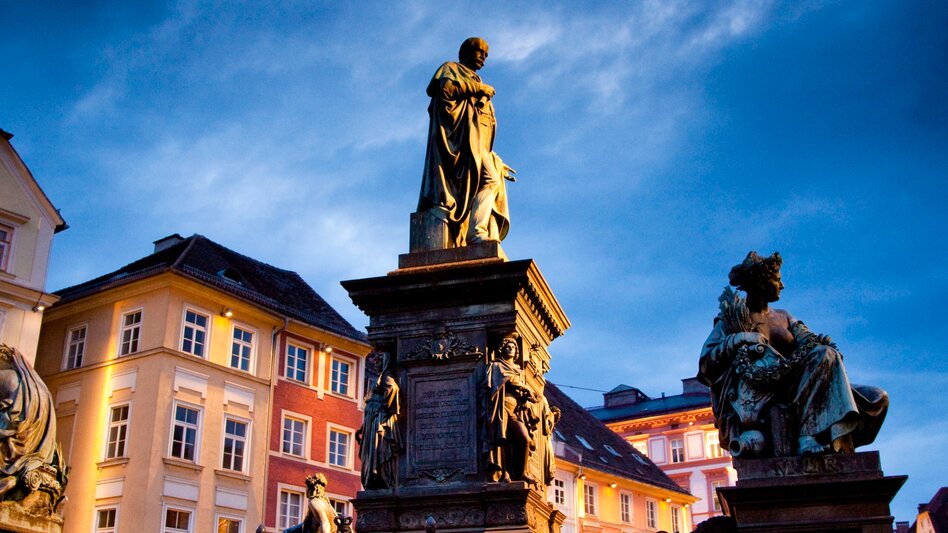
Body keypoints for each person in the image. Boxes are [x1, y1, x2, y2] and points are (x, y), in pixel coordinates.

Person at [697, 252, 888, 456]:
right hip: (764, 393)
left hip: (802, 382)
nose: (782, 285)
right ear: (761, 282)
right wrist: (740, 338)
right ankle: (807, 436)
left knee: (876, 397)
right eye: (777, 280)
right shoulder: (733, 318)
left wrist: (821, 347)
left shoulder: (784, 316)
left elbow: (809, 341)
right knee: (826, 355)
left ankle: (824, 436)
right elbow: (706, 364)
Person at [417, 37, 516, 248]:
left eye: (486, 54)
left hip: (477, 146)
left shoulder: (477, 82)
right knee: (489, 180)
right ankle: (476, 233)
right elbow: (445, 92)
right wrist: (477, 89)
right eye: (479, 51)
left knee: (491, 179)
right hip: (457, 144)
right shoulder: (450, 69)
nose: (483, 57)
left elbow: (482, 128)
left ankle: (477, 231)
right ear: (465, 52)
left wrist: (494, 158)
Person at [482, 335, 537, 482]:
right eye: (508, 346)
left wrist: (526, 397)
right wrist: (525, 388)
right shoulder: (497, 365)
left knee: (524, 439)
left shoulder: (518, 370)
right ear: (501, 349)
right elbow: (508, 379)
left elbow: (516, 386)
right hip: (501, 406)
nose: (511, 349)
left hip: (515, 410)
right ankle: (504, 473)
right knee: (503, 440)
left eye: (513, 347)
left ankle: (522, 472)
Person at [355, 351, 400, 489]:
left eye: (378, 362)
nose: (375, 365)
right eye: (374, 363)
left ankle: (379, 476)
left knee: (377, 449)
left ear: (384, 361)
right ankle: (374, 475)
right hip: (372, 420)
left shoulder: (386, 376)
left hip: (378, 420)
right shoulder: (381, 376)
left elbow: (392, 387)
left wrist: (384, 406)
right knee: (371, 451)